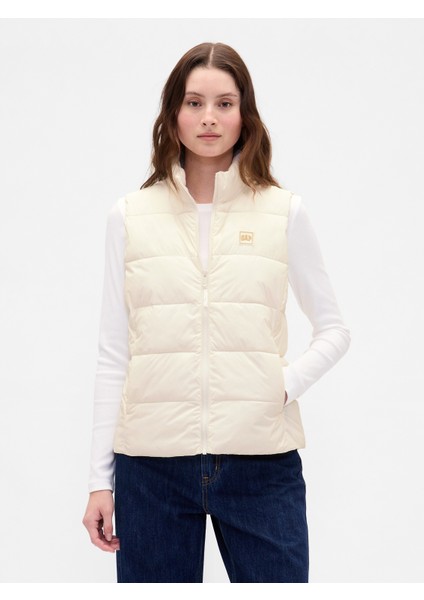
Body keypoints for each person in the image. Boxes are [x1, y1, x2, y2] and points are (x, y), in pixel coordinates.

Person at [82, 41, 350, 583]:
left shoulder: (283, 212)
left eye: (225, 103)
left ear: (245, 114)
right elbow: (115, 353)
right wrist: (99, 481)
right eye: (194, 102)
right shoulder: (129, 216)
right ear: (172, 114)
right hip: (151, 468)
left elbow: (335, 330)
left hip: (261, 463)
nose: (209, 117)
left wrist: (281, 385)